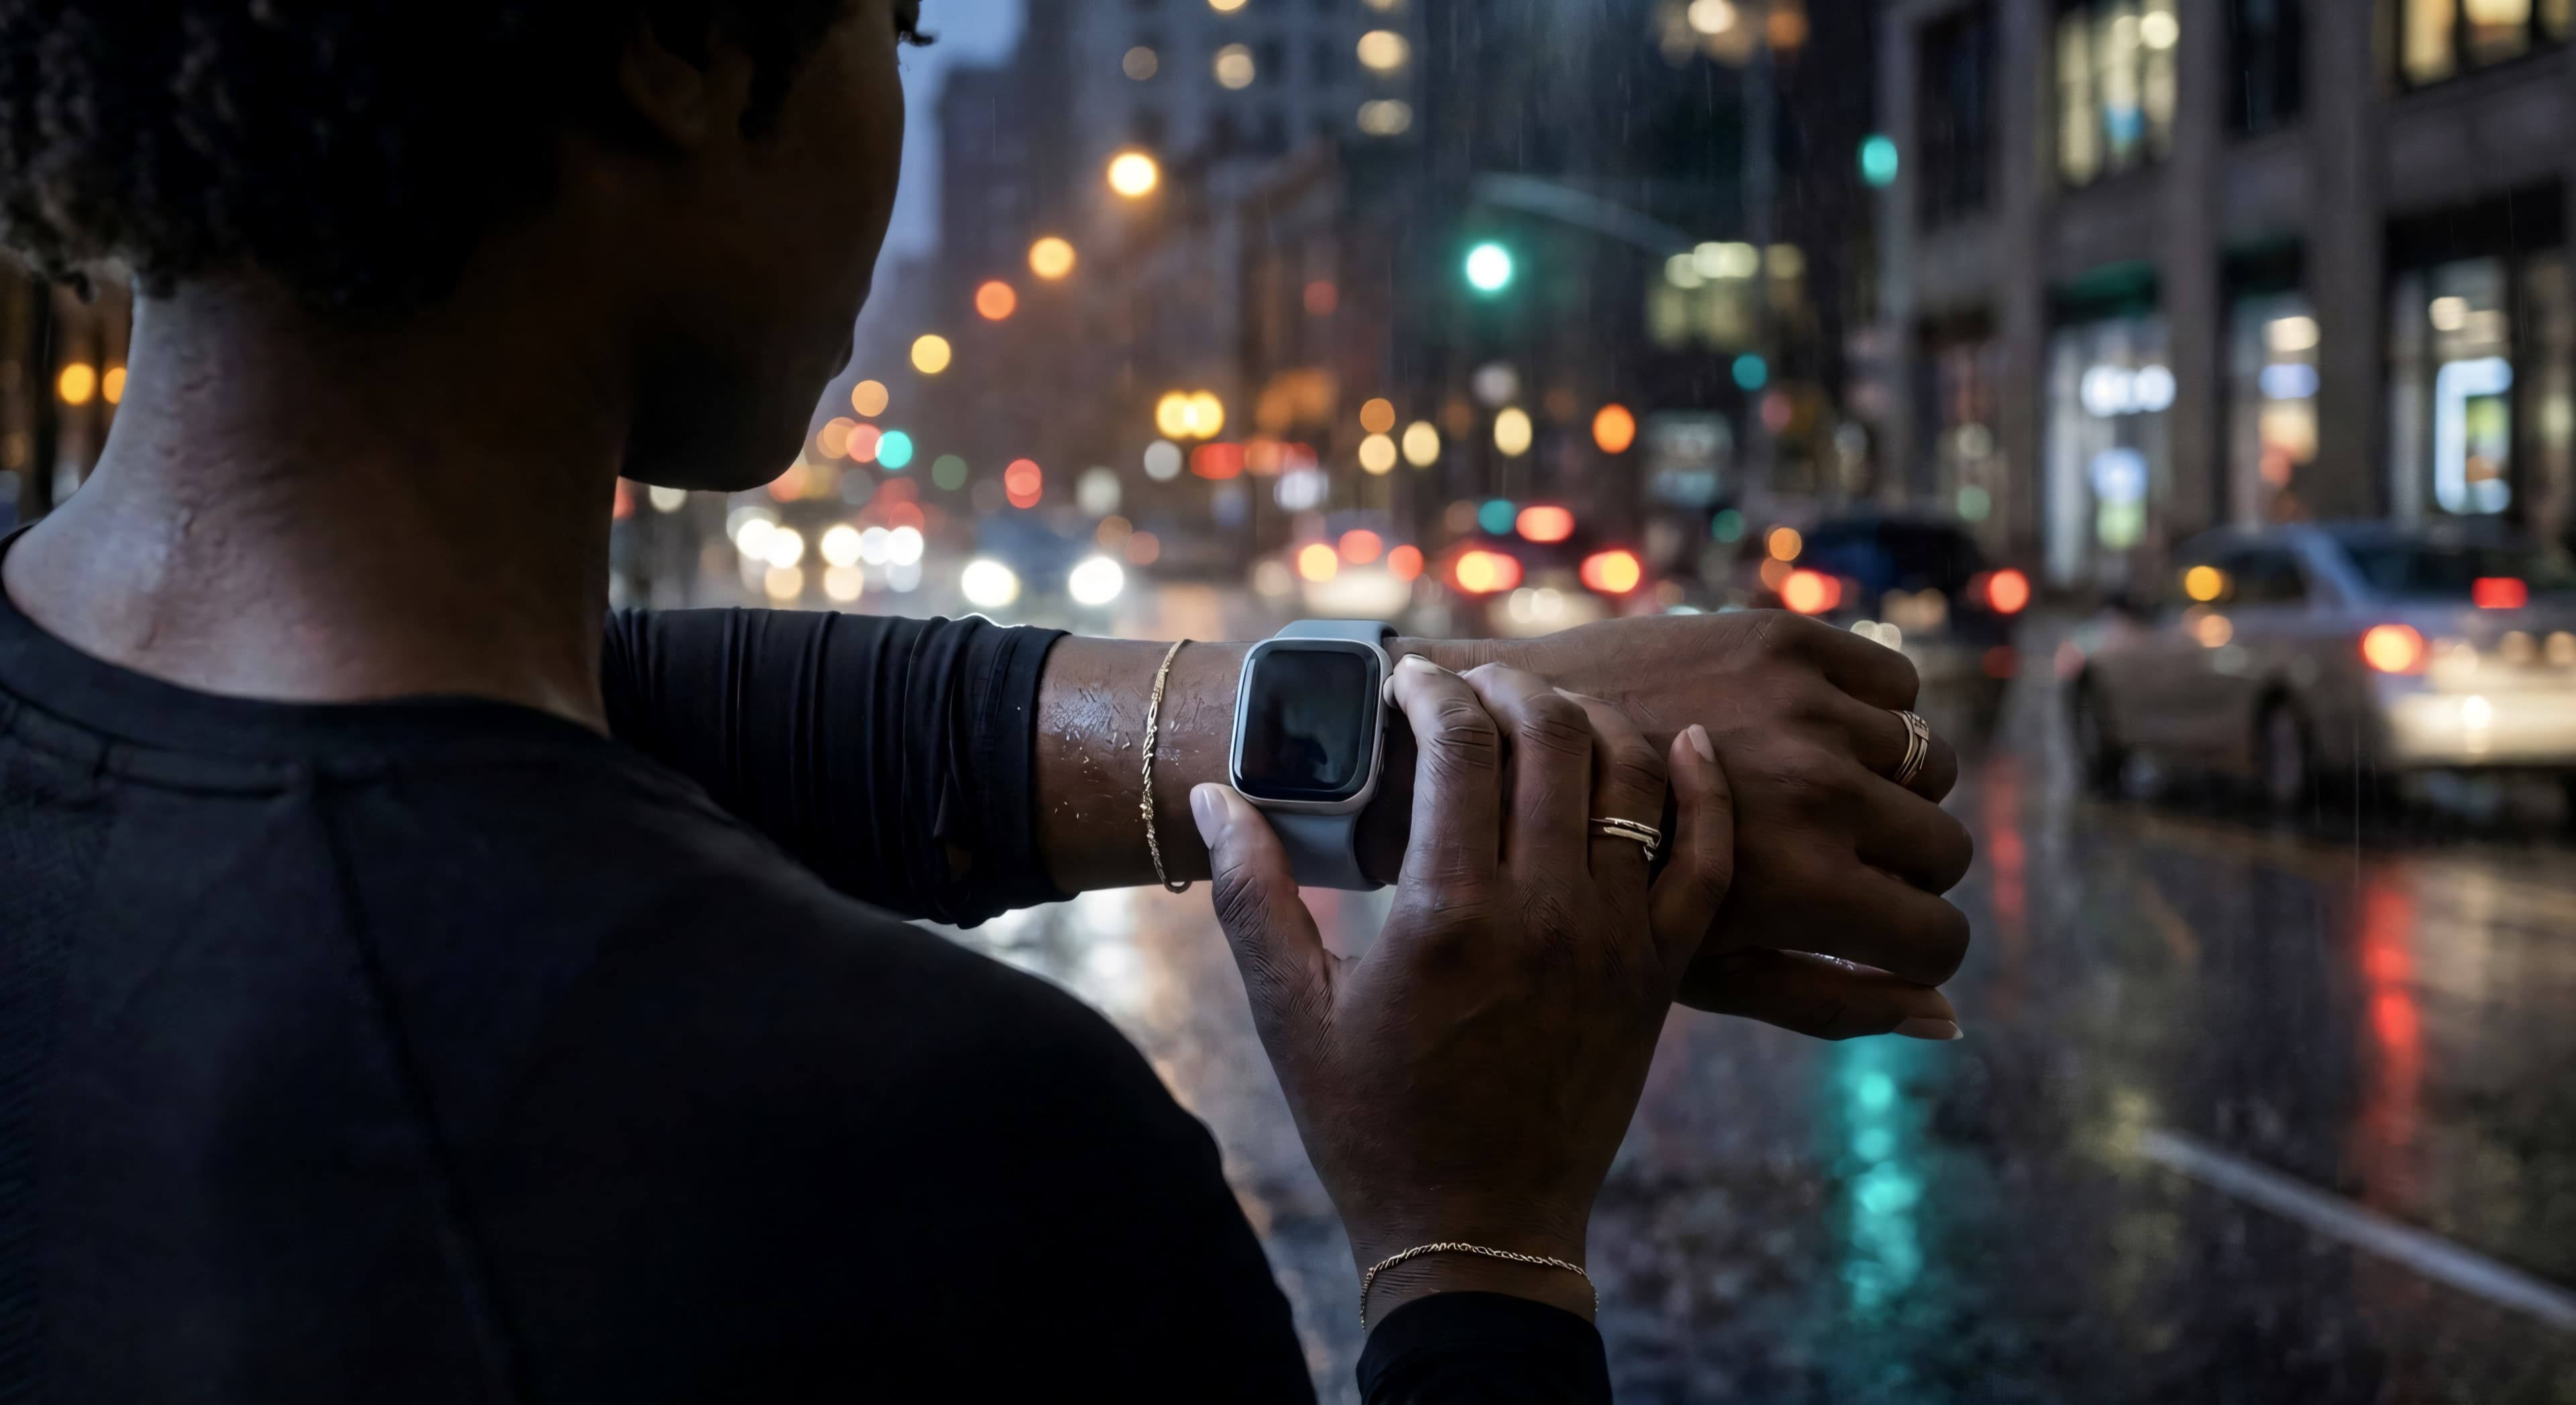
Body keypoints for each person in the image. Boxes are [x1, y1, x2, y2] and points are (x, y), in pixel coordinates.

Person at [0, 0, 1973, 1397]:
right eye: (903, 27)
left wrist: (1400, 738)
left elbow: (590, 742)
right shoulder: (946, 1159)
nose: (893, 95)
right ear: (683, 43)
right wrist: (1479, 1252)